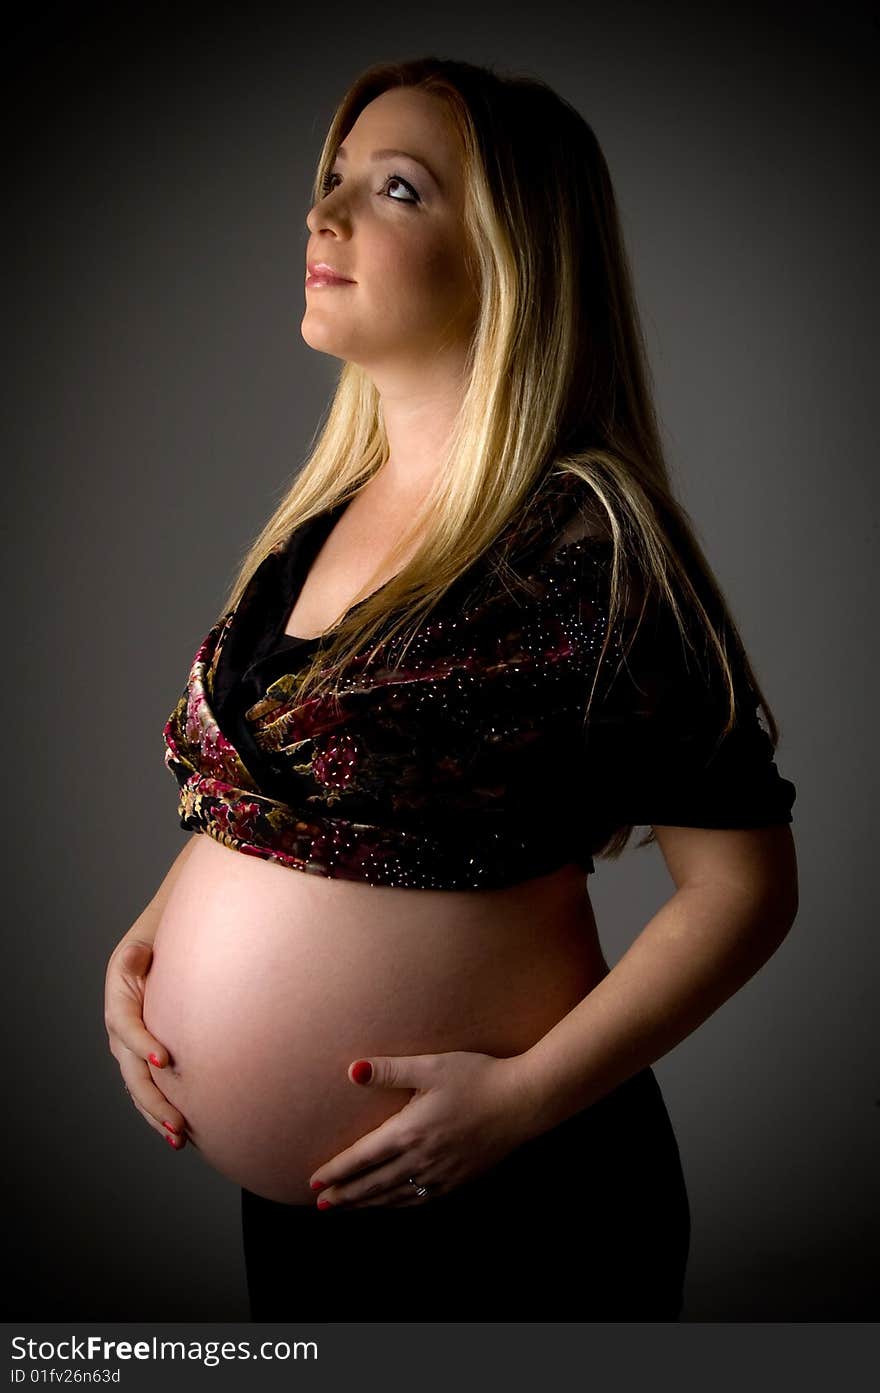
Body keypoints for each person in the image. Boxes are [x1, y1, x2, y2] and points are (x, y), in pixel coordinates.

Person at [103, 57, 798, 1323]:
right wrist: (154, 941)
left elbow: (744, 888)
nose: (323, 217)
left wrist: (520, 1103)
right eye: (331, 184)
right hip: (308, 1212)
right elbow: (272, 795)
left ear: (510, 257)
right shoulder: (315, 527)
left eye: (396, 188)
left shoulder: (587, 540)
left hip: (511, 1200)